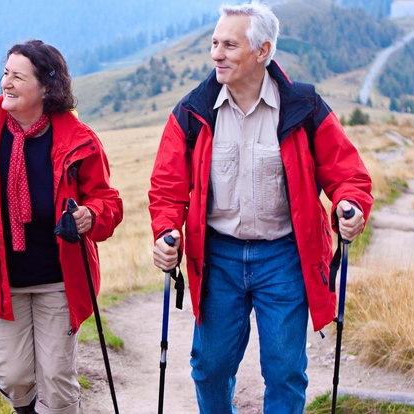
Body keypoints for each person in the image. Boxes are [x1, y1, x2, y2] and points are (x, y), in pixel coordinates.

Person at [148, 3, 373, 413]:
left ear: (262, 51)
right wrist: (167, 231)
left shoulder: (303, 107)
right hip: (218, 257)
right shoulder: (192, 112)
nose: (216, 53)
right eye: (214, 43)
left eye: (229, 45)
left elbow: (347, 174)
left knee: (285, 371)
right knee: (210, 367)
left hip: (284, 257)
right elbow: (167, 187)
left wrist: (350, 205)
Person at [0, 39, 123, 414]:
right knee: (14, 379)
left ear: (47, 87)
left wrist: (90, 215)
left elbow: (107, 201)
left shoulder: (79, 141)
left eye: (18, 76)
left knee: (59, 384)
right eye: (5, 74)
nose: (7, 84)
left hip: (60, 280)